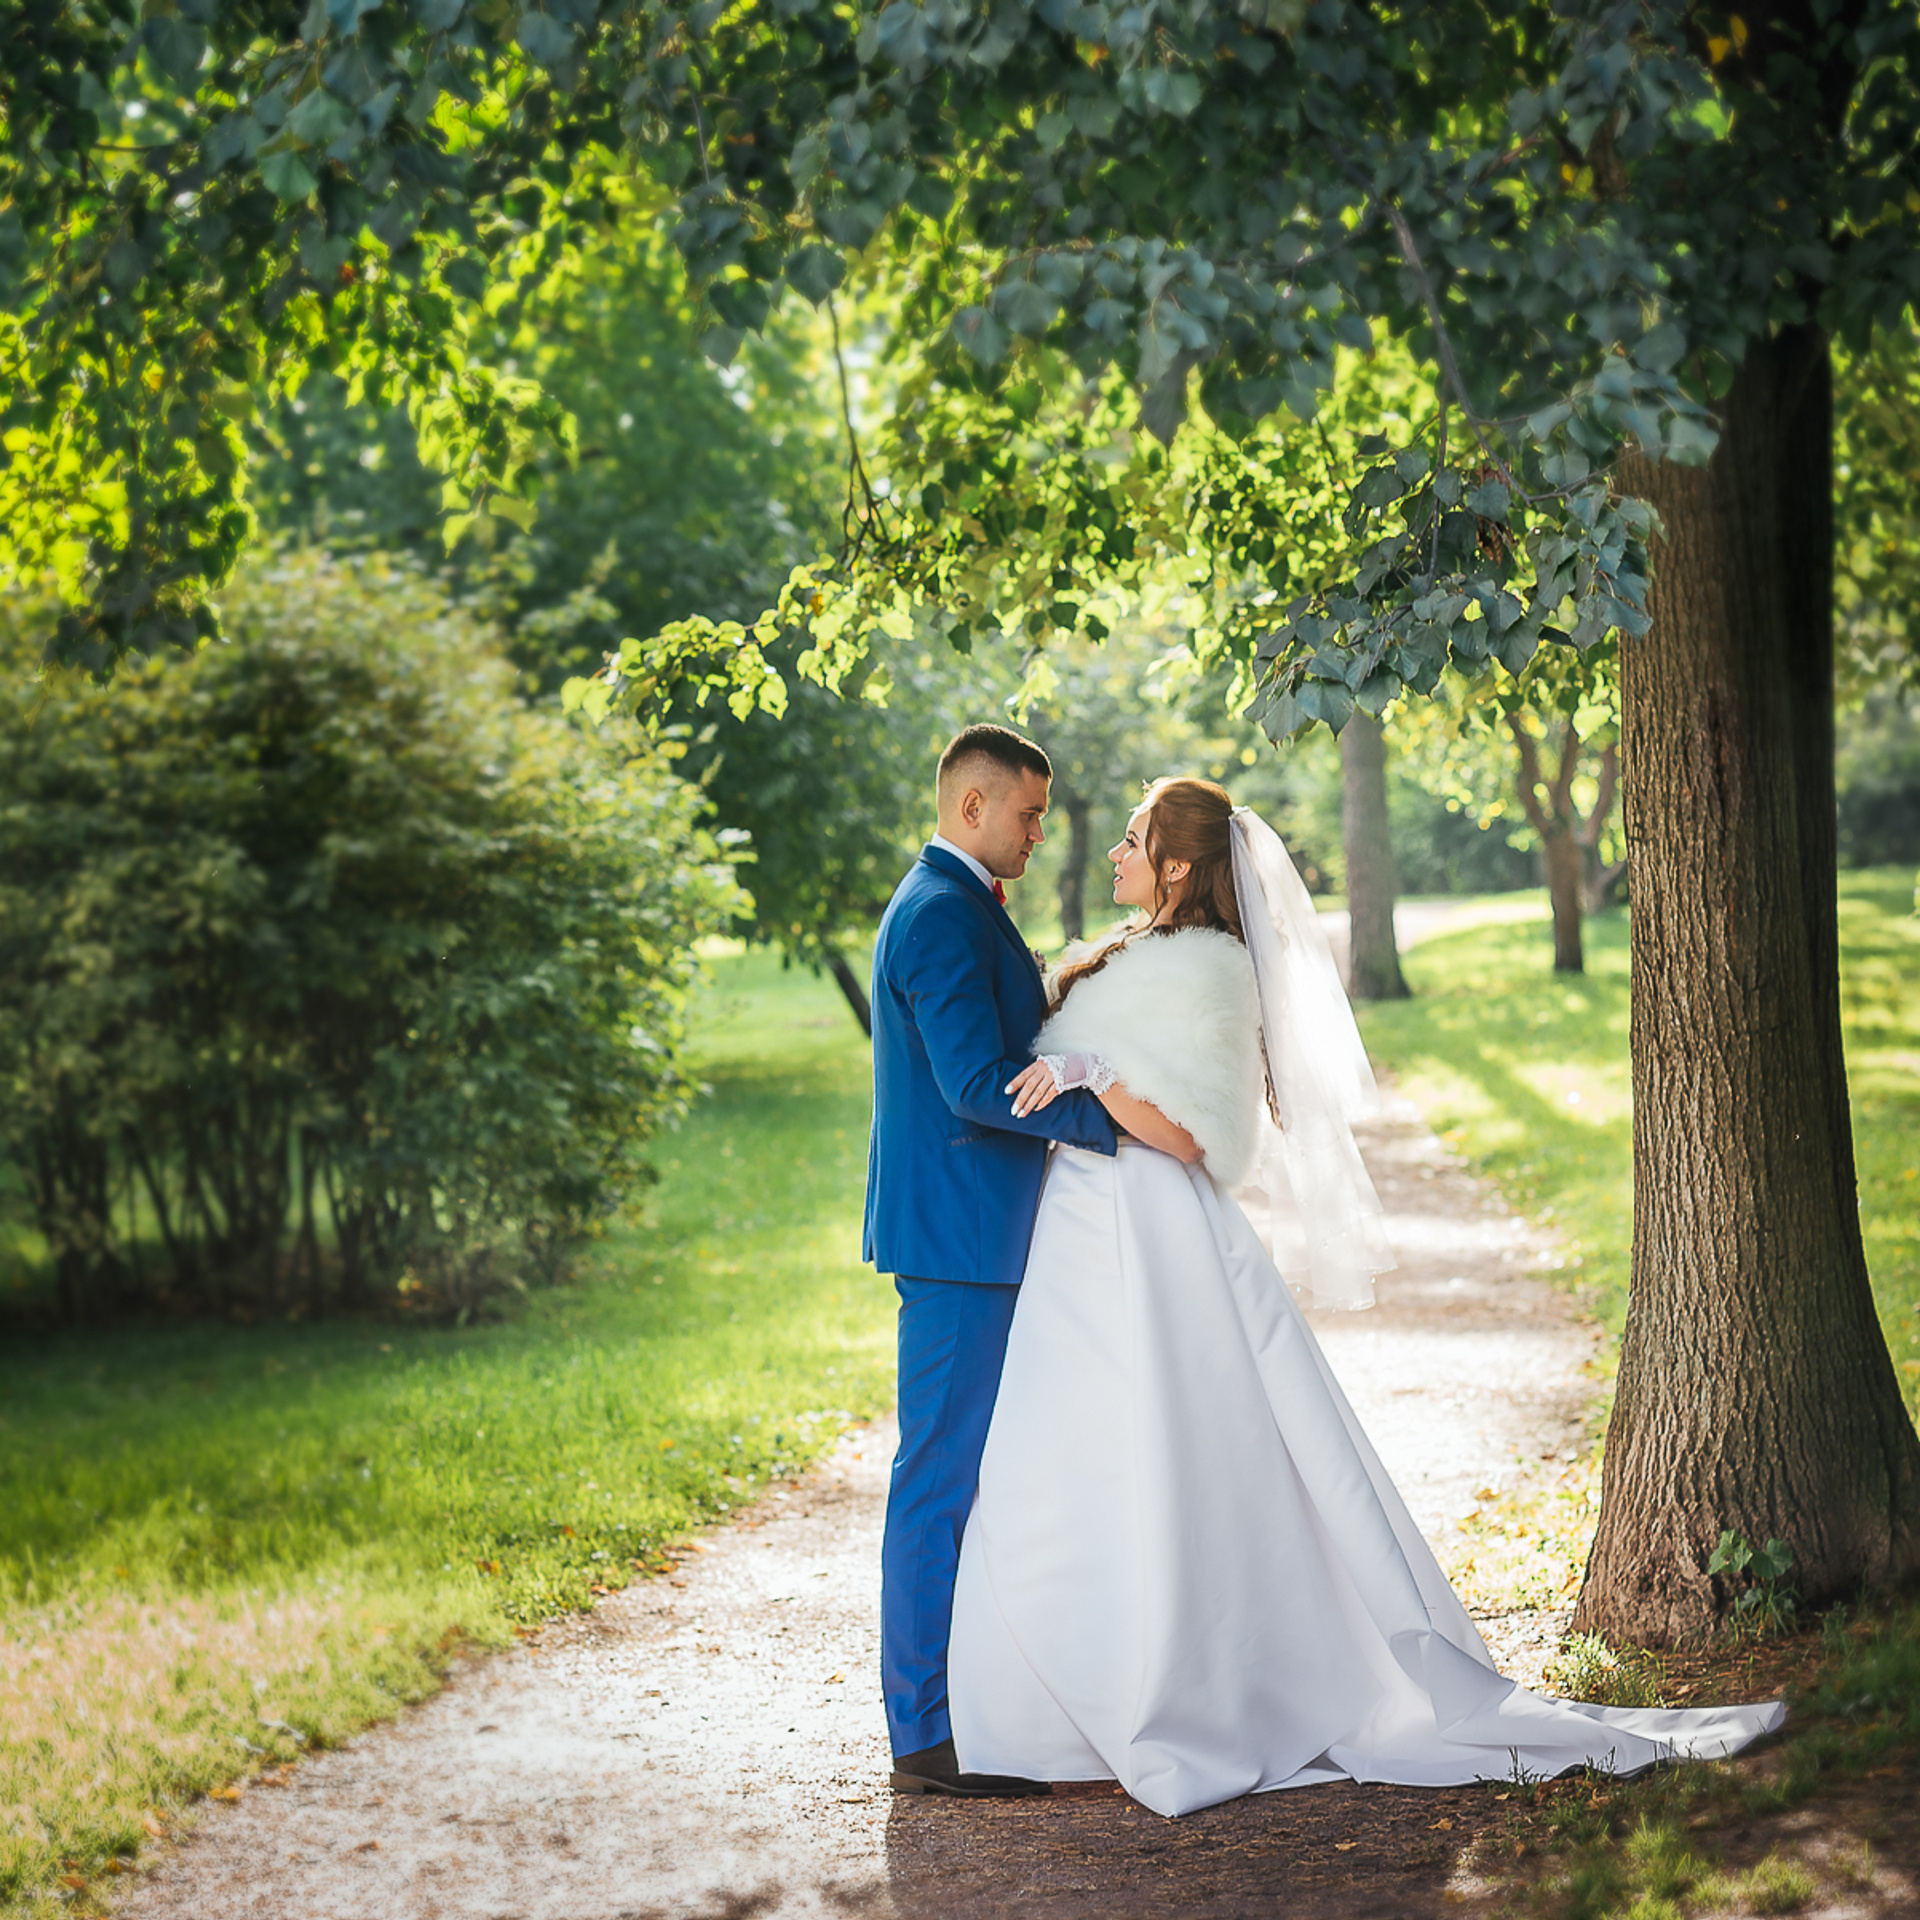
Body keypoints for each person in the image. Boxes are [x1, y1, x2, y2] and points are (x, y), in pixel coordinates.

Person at [947, 775, 1785, 1819]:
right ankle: (1061, 1702)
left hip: (1144, 1237)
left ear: (1176, 863)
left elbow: (1188, 1134)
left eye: (1133, 839)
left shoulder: (1210, 969)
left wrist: (1089, 1071)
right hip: (1086, 1235)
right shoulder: (1140, 949)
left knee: (1155, 1449)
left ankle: (1180, 1686)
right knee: (1075, 1456)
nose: (1114, 852)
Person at [865, 724, 1119, 1798]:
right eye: (1028, 814)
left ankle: (975, 1701)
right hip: (962, 1246)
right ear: (973, 806)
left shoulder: (960, 905)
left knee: (981, 1480)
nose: (1038, 833)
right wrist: (1112, 1124)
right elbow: (978, 1083)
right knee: (937, 1482)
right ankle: (922, 1738)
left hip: (981, 1235)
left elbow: (1005, 1035)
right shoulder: (935, 916)